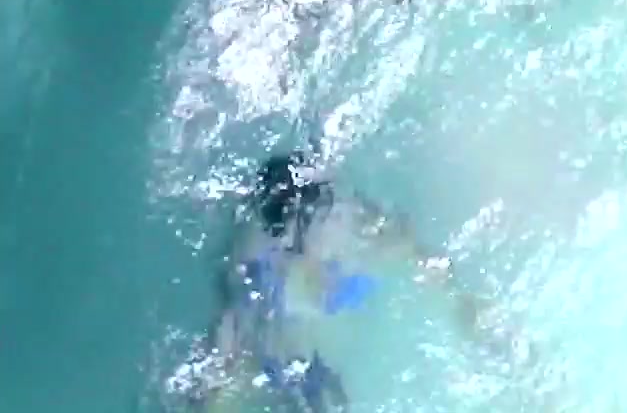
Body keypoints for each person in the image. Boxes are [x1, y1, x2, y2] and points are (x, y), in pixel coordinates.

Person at [188, 152, 527, 410]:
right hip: (292, 338)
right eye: (329, 215)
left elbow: (421, 255)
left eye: (336, 208)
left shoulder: (361, 225)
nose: (342, 218)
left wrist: (466, 308)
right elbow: (226, 354)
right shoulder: (260, 281)